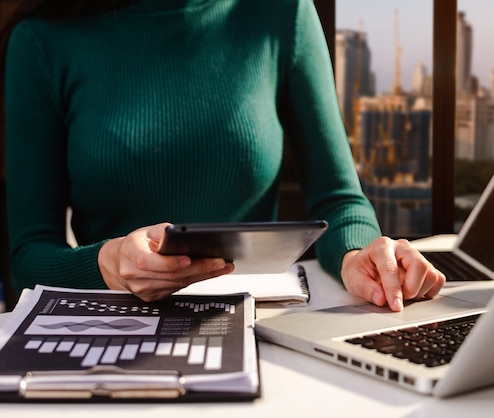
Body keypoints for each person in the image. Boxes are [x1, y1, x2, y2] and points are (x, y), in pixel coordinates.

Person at [2, 0, 445, 312]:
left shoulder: (282, 13)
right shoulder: (41, 41)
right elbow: (28, 257)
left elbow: (339, 200)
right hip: (114, 329)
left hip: (264, 323)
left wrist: (357, 255)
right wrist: (109, 263)